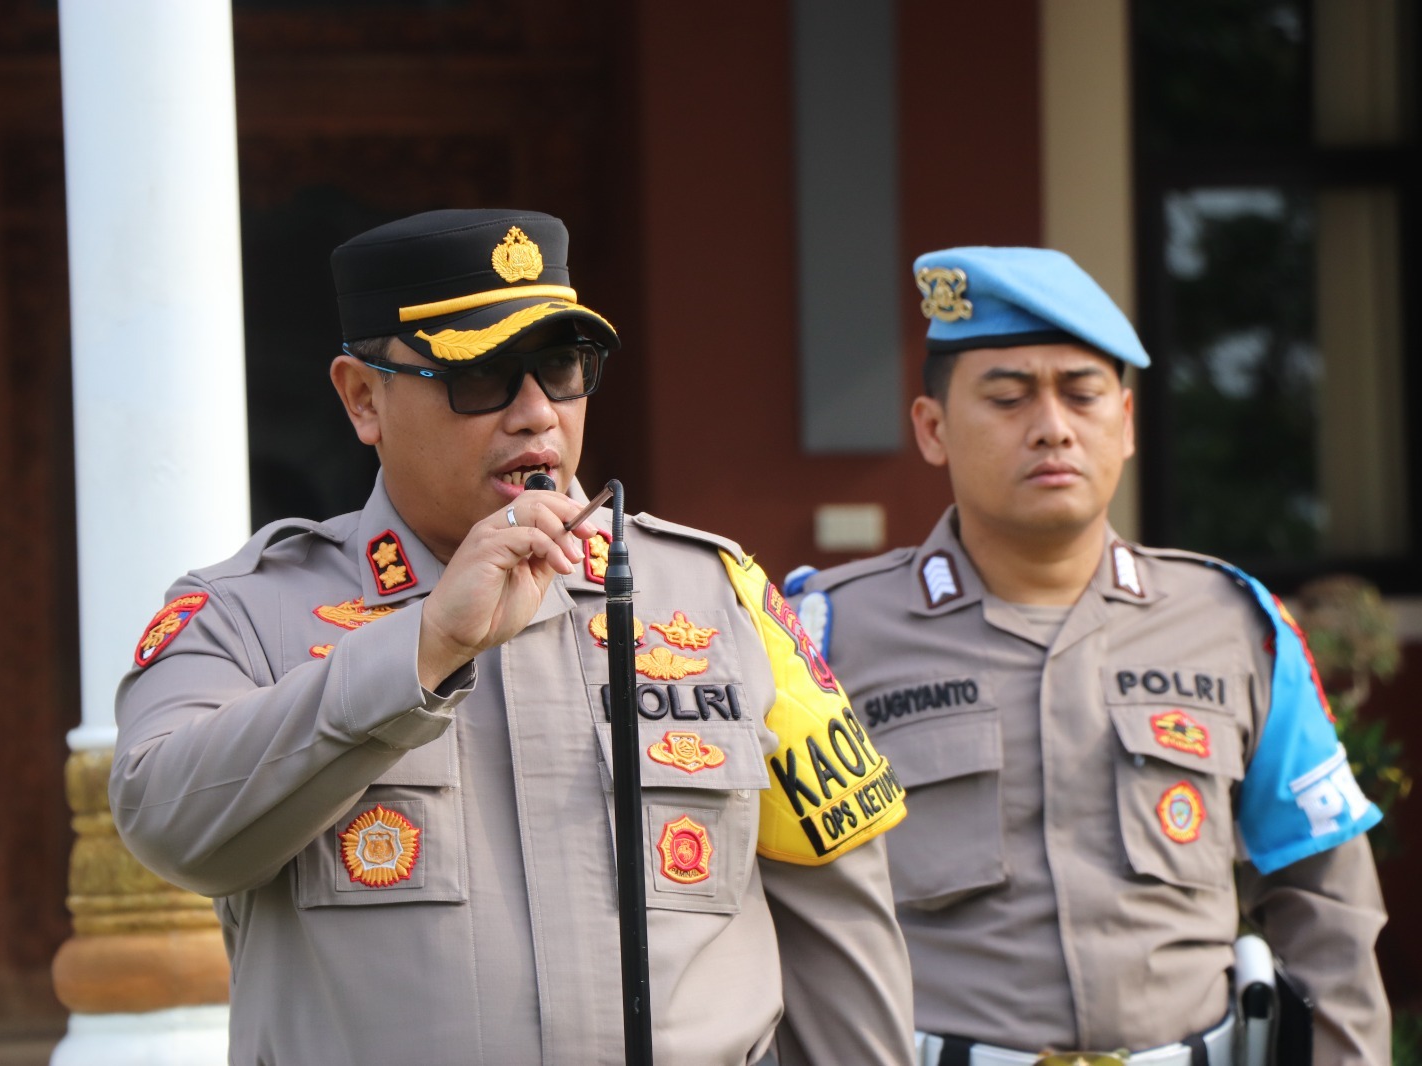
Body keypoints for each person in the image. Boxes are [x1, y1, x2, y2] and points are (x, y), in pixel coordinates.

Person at [110, 208, 917, 1065]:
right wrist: (421, 649)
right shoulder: (248, 612)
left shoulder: (720, 596)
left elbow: (840, 939)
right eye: (482, 375)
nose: (536, 415)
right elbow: (167, 824)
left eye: (561, 369)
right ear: (362, 398)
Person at [788, 246, 1390, 1065]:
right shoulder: (825, 637)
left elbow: (1327, 902)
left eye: (1081, 394)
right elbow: (772, 902)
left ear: (1127, 422)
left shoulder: (1232, 625)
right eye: (1007, 397)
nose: (1052, 427)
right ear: (932, 429)